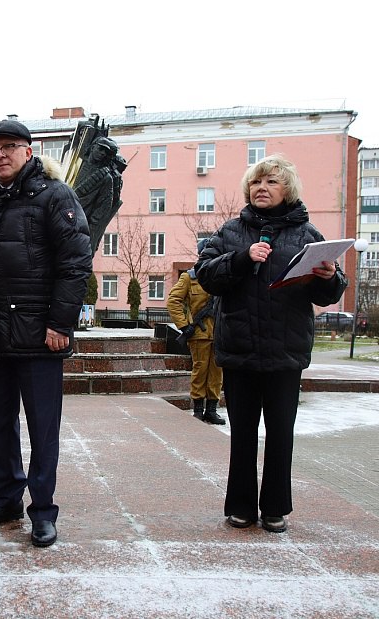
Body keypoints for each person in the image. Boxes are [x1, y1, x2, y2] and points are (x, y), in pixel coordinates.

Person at [195, 154, 347, 534]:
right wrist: (242, 259)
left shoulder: (308, 235)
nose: (261, 189)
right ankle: (242, 506)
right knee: (242, 434)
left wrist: (329, 277)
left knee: (281, 434)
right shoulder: (230, 232)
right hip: (240, 350)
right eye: (256, 182)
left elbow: (328, 294)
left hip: (285, 351)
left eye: (271, 183)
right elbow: (206, 275)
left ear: (287, 190)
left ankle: (276, 507)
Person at [0, 119, 93, 547]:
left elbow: (75, 264)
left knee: (42, 430)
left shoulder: (55, 196)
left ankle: (43, 510)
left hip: (40, 337)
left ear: (28, 151)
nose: (0, 154)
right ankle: (6, 500)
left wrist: (61, 323)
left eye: (8, 147)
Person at [166, 239, 224, 424]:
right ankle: (198, 409)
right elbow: (173, 301)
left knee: (217, 373)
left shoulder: (222, 276)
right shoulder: (190, 277)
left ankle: (212, 410)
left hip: (220, 333)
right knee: (200, 370)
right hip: (199, 334)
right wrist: (184, 326)